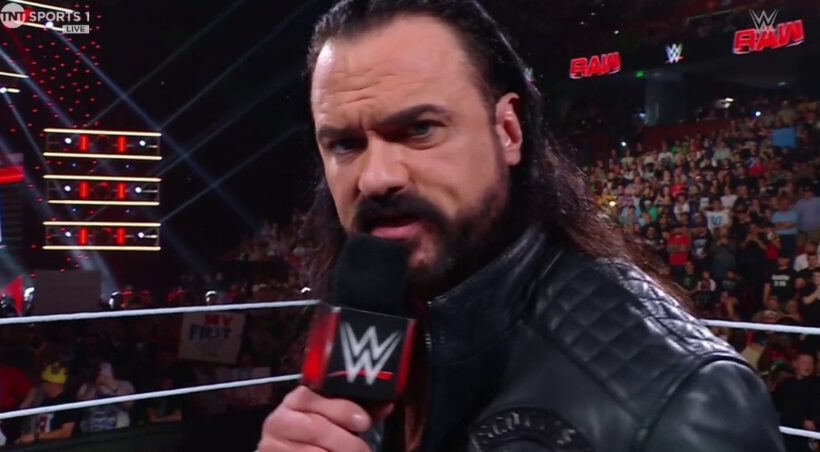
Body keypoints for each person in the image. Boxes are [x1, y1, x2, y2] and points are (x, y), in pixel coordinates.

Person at [259, 1, 784, 451]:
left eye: (419, 129)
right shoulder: (366, 321)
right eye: (345, 144)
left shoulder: (684, 401)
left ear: (508, 132)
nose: (375, 178)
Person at [16, 363, 78, 444]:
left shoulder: (67, 402)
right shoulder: (43, 400)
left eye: (42, 382)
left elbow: (66, 432)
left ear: (50, 384)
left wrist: (36, 437)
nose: (40, 385)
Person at [773, 350, 820, 452]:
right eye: (804, 362)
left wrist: (815, 423)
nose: (808, 365)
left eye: (811, 363)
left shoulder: (817, 385)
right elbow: (776, 406)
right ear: (795, 364)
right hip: (787, 435)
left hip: (809, 437)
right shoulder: (786, 384)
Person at [76, 362, 135, 433]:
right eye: (99, 370)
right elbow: (81, 406)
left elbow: (129, 403)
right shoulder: (86, 386)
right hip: (92, 425)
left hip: (116, 425)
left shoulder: (125, 384)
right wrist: (95, 386)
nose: (101, 372)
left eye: (105, 369)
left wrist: (111, 385)